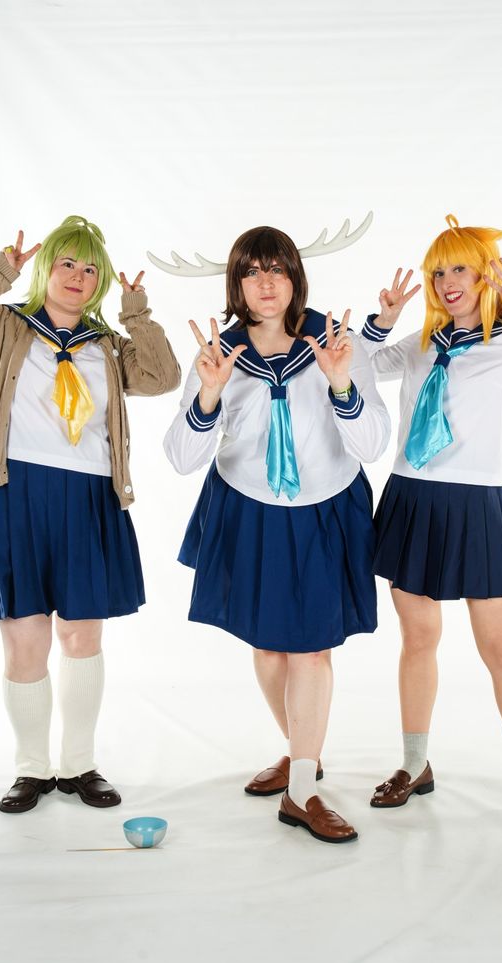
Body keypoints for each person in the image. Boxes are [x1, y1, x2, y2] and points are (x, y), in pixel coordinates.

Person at [0, 215, 180, 813]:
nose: (78, 277)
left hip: (89, 495)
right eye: (67, 263)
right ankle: (30, 769)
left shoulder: (108, 344)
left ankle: (80, 765)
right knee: (24, 638)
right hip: (14, 491)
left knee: (82, 633)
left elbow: (163, 375)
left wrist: (136, 314)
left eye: (91, 270)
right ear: (45, 269)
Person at [358, 214, 502, 841]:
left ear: (486, 274)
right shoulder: (420, 343)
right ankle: (415, 766)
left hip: (478, 505)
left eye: (458, 268)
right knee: (418, 638)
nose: (445, 282)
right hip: (412, 498)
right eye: (438, 272)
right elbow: (357, 366)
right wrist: (381, 319)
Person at [164, 225, 390, 843]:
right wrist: (208, 393)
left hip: (324, 507)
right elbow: (182, 459)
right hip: (249, 508)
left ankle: (303, 791)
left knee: (311, 648)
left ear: (295, 277)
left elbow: (373, 444)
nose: (266, 282)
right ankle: (303, 753)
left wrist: (342, 382)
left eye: (278, 269)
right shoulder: (219, 353)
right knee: (267, 646)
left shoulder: (337, 341)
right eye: (252, 271)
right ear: (236, 284)